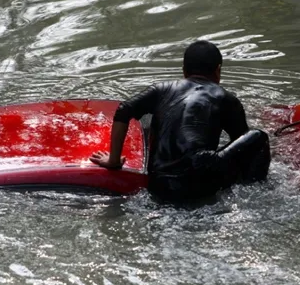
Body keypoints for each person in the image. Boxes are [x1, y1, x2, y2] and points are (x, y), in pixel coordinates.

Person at [89, 40, 271, 205]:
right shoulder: (225, 98)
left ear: (184, 70)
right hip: (201, 183)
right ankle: (255, 190)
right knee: (258, 137)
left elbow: (123, 110)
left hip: (160, 185)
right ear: (218, 70)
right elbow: (243, 146)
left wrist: (113, 160)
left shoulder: (161, 89)